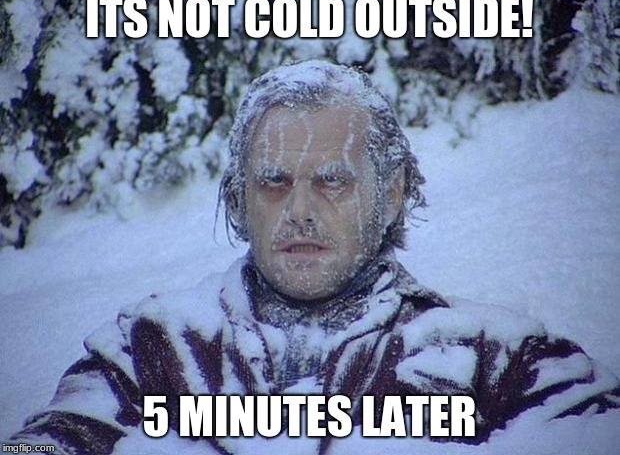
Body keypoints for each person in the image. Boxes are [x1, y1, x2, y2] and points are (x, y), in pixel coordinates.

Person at [9, 61, 619, 454]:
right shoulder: (152, 350)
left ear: (392, 194)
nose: (299, 210)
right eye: (274, 181)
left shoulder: (496, 359)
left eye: (332, 180)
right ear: (239, 198)